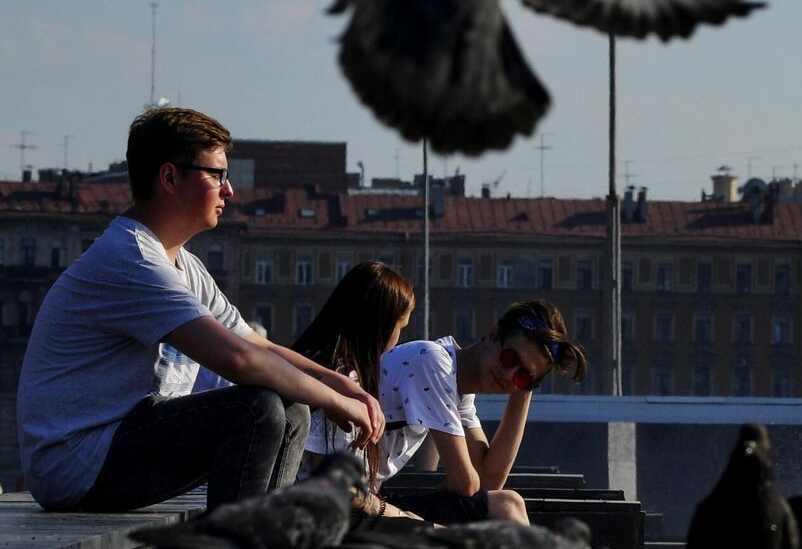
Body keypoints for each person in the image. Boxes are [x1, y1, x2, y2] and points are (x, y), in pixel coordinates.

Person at [15, 108, 381, 512]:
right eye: (218, 175)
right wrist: (335, 402)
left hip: (115, 444)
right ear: (169, 177)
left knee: (292, 406)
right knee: (255, 409)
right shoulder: (131, 259)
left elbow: (255, 345)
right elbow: (240, 361)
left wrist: (339, 384)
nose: (230, 191)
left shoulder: (183, 264)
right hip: (75, 462)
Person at [372, 300, 586, 526]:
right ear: (492, 335)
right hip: (349, 498)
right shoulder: (433, 361)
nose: (508, 374)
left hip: (368, 497)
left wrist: (524, 390)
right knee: (507, 506)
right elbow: (467, 484)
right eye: (510, 358)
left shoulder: (459, 389)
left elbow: (488, 481)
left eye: (522, 376)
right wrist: (460, 485)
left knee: (507, 505)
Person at [293, 262, 415, 485]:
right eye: (401, 328)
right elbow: (335, 486)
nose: (399, 338)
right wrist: (392, 511)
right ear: (382, 326)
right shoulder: (345, 377)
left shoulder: (312, 359)